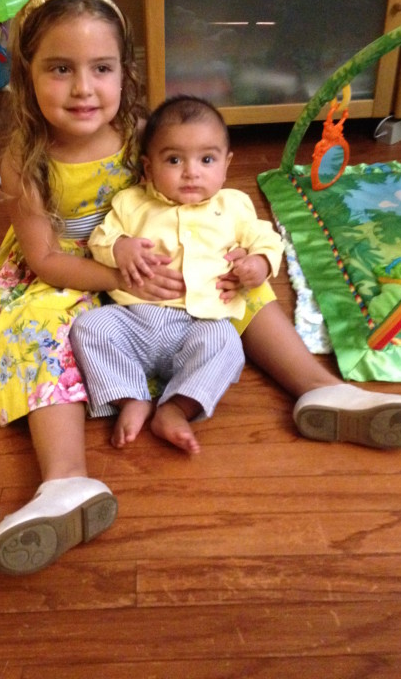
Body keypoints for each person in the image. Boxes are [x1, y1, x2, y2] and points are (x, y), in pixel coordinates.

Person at [0, 0, 401, 577]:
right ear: (27, 75)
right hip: (68, 268)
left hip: (151, 249)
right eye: (60, 69)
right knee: (34, 330)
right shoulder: (26, 163)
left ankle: (318, 387)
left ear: (124, 72)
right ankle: (65, 481)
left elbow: (194, 186)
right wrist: (115, 272)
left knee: (232, 281)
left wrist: (229, 256)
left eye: (101, 68)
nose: (83, 88)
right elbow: (45, 259)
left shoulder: (141, 134)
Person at [71, 95, 284, 454]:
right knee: (90, 328)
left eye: (207, 159)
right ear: (148, 166)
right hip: (134, 319)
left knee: (227, 344)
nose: (191, 172)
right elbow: (101, 238)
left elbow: (267, 238)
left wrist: (260, 263)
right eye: (174, 160)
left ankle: (176, 408)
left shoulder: (233, 206)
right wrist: (119, 247)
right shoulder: (132, 202)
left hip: (198, 325)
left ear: (227, 164)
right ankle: (131, 398)